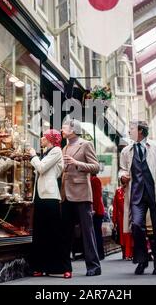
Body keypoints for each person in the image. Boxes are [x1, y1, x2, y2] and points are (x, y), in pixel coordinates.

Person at [119, 120, 156, 275]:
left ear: (140, 131)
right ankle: (142, 261)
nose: (129, 132)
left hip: (155, 194)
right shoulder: (126, 151)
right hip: (136, 195)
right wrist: (122, 176)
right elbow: (122, 170)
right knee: (136, 226)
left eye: (131, 129)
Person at [61, 119, 101, 277]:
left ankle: (94, 266)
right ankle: (65, 267)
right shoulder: (64, 147)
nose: (61, 129)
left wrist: (77, 163)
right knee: (66, 232)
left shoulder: (85, 144)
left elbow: (96, 167)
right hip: (66, 194)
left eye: (64, 126)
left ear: (73, 129)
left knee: (87, 232)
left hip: (82, 194)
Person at [28, 129, 69, 278]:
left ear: (50, 139)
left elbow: (41, 168)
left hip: (50, 196)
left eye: (44, 136)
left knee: (55, 231)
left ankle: (64, 267)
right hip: (40, 195)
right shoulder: (46, 152)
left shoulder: (56, 151)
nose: (41, 138)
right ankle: (40, 266)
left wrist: (33, 155)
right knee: (40, 232)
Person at [112, 179, 134, 260]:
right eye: (122, 182)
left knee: (130, 236)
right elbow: (115, 206)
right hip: (121, 218)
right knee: (123, 236)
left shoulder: (132, 191)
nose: (124, 184)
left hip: (131, 216)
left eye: (125, 182)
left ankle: (131, 253)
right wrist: (114, 221)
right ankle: (124, 253)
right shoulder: (118, 191)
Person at [91, 174, 105, 260]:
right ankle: (99, 253)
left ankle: (99, 254)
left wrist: (94, 209)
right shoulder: (93, 179)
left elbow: (96, 196)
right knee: (96, 233)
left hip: (96, 211)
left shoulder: (94, 180)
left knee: (96, 233)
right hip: (97, 210)